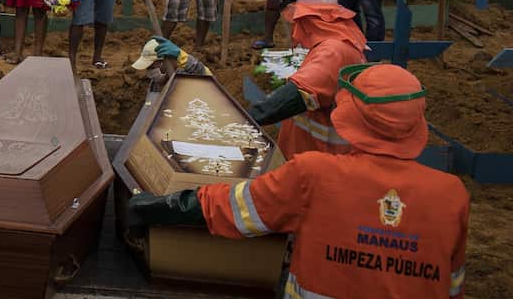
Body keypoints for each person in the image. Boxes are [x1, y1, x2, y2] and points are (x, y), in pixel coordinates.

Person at [127, 63, 469, 299]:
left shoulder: (316, 175)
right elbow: (452, 285)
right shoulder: (451, 195)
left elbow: (235, 209)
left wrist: (160, 206)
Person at [248, 0, 368, 157]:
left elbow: (299, 93)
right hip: (319, 156)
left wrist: (246, 118)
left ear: (306, 18)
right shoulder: (338, 44)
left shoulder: (332, 51)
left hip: (321, 161)